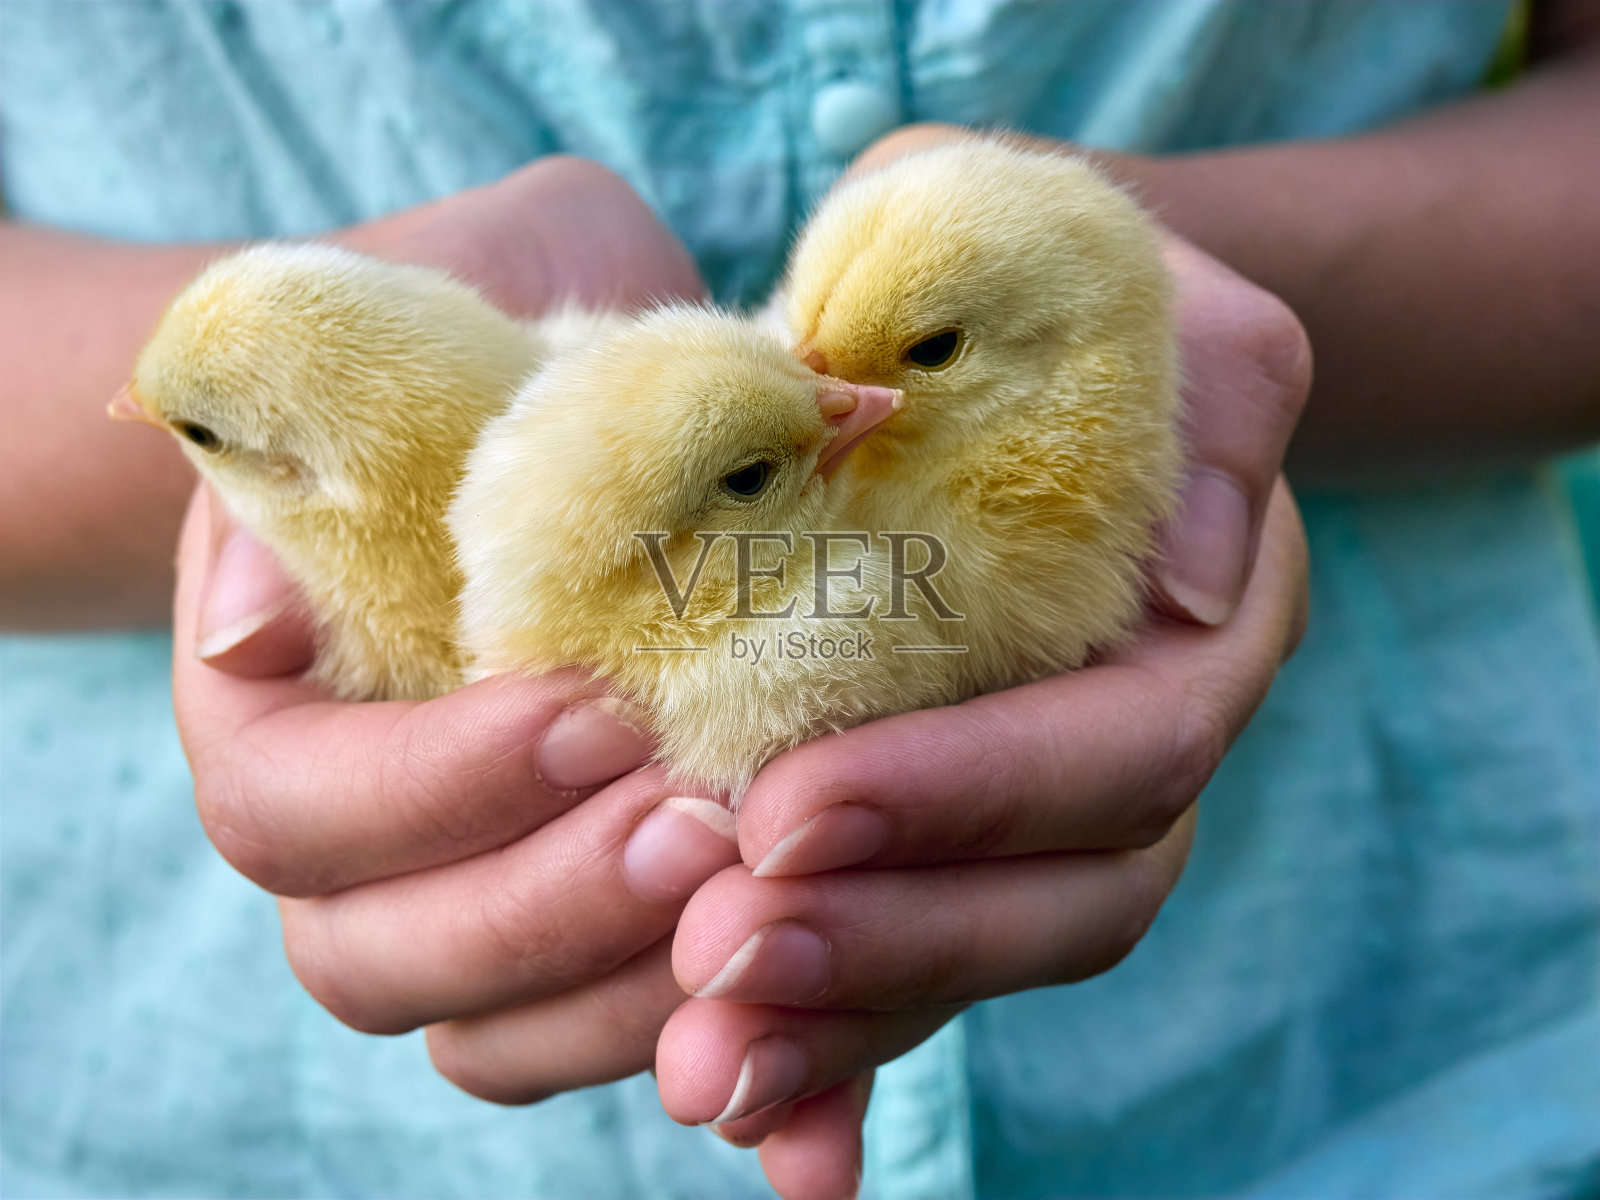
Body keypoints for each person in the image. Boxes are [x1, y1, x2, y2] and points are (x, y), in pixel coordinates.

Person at [2, 3, 1595, 1199]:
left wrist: (1178, 329)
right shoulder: (817, 553)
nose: (837, 407)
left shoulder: (852, 533)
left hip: (1372, 1049)